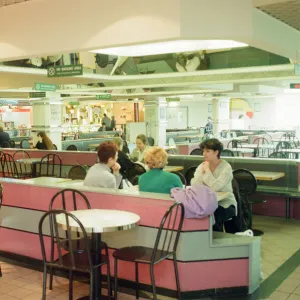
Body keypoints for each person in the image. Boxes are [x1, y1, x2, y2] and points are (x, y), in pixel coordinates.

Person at [191, 138, 237, 232]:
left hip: (225, 203)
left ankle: (215, 241)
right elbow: (195, 185)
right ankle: (207, 241)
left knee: (213, 216)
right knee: (195, 213)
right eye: (203, 151)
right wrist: (203, 172)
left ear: (216, 152)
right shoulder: (202, 165)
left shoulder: (226, 167)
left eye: (208, 151)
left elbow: (216, 187)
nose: (204, 154)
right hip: (207, 202)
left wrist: (206, 171)